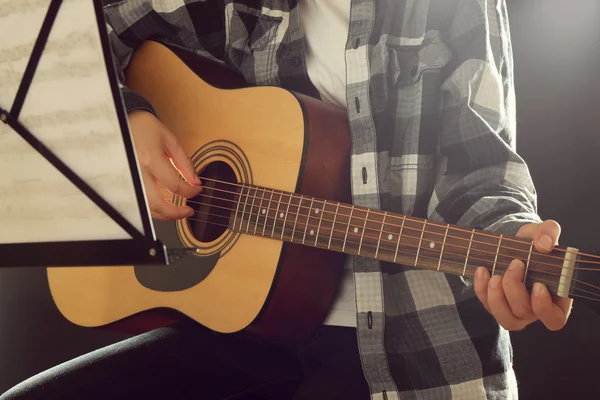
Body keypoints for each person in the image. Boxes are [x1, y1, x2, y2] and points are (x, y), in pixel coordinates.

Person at [1, 1, 573, 399]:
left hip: (406, 351)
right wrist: (126, 119)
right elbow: (40, 38)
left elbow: (482, 171)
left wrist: (514, 242)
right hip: (240, 328)